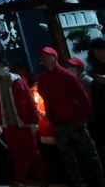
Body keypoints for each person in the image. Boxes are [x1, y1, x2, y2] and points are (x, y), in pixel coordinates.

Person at [36, 46, 104, 187]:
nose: (44, 59)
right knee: (68, 157)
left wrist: (83, 116)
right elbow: (46, 99)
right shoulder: (44, 79)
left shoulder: (67, 76)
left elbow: (83, 97)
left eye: (47, 56)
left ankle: (98, 182)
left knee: (88, 154)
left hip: (75, 121)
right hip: (59, 123)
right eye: (42, 56)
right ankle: (78, 183)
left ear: (54, 57)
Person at [0, 56, 47, 187]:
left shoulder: (18, 82)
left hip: (23, 123)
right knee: (16, 154)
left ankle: (43, 179)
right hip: (8, 124)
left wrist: (34, 120)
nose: (0, 69)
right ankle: (20, 179)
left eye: (2, 66)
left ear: (8, 67)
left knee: (33, 152)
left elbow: (30, 101)